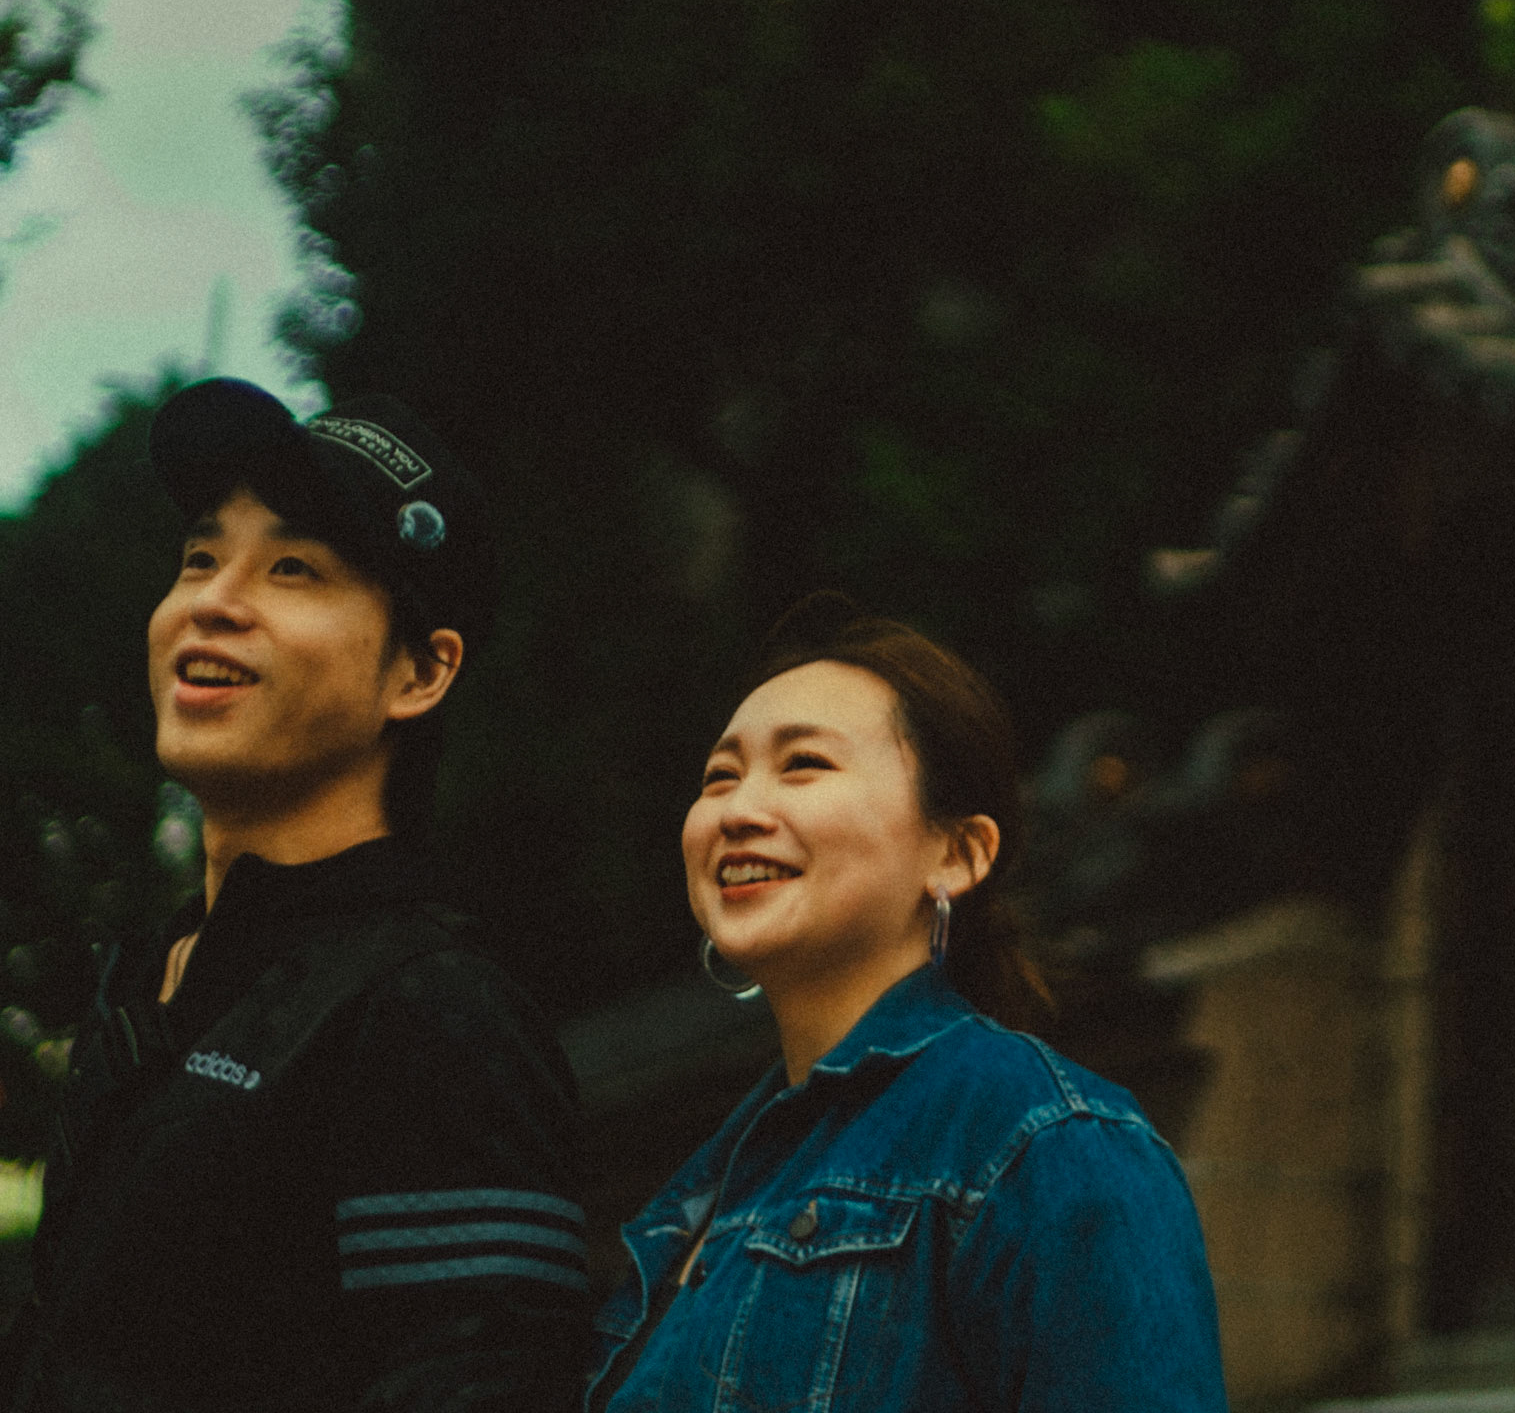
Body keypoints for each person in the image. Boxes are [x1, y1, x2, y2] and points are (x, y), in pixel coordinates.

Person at [4, 378, 588, 1413]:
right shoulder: (154, 978)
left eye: (292, 566)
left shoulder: (430, 1014)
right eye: (199, 556)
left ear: (420, 670)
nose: (212, 599)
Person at [587, 601, 1227, 1413]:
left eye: (803, 765)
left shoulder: (1054, 1146)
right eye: (720, 776)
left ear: (958, 854)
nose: (738, 810)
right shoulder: (712, 1181)